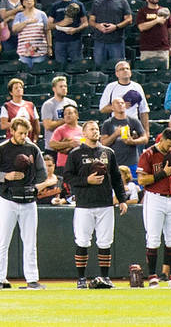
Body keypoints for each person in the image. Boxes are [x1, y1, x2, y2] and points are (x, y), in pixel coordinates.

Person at [0, 119, 47, 290]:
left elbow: (43, 173)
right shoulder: (1, 149)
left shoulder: (33, 148)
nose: (24, 137)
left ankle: (32, 279)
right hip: (8, 199)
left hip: (28, 199)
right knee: (3, 240)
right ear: (12, 131)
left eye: (26, 133)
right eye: (20, 133)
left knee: (30, 241)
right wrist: (5, 176)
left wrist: (33, 185)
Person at [63, 119, 127, 288]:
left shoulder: (108, 152)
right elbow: (68, 177)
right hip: (84, 204)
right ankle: (81, 278)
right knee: (82, 241)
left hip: (105, 203)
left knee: (105, 241)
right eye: (91, 129)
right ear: (83, 133)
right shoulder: (75, 153)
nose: (95, 131)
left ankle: (105, 277)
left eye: (96, 129)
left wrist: (122, 199)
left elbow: (116, 178)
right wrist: (86, 180)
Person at [135, 130, 171, 287]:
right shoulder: (148, 154)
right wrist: (162, 173)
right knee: (153, 237)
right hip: (154, 197)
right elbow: (142, 180)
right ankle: (152, 276)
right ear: (161, 139)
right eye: (168, 145)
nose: (170, 148)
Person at [100, 97, 149, 178]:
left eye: (122, 103)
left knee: (134, 186)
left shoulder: (134, 121)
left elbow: (145, 138)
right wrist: (115, 134)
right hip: (115, 163)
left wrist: (132, 141)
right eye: (117, 103)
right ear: (112, 107)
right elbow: (103, 143)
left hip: (132, 162)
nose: (120, 105)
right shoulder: (108, 123)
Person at [89, 0, 132, 65]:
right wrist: (98, 26)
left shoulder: (122, 2)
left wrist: (116, 27)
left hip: (117, 41)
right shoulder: (97, 2)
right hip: (99, 41)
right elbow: (91, 20)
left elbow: (129, 19)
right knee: (99, 67)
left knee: (118, 67)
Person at [99, 61, 151, 132]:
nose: (125, 71)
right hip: (116, 125)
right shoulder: (111, 87)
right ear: (116, 73)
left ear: (130, 72)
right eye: (122, 69)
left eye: (127, 68)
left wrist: (146, 131)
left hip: (134, 124)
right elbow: (102, 109)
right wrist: (119, 107)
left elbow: (144, 110)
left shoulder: (137, 87)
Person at [135, 0, 171, 68]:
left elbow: (170, 30)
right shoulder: (142, 11)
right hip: (147, 50)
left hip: (163, 49)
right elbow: (141, 27)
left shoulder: (165, 11)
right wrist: (156, 21)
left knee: (163, 74)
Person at [13, 0, 52, 67]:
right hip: (24, 52)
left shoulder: (42, 14)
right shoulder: (19, 16)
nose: (28, 1)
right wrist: (27, 22)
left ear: (34, 0)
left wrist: (49, 46)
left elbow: (47, 31)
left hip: (40, 51)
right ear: (22, 2)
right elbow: (15, 29)